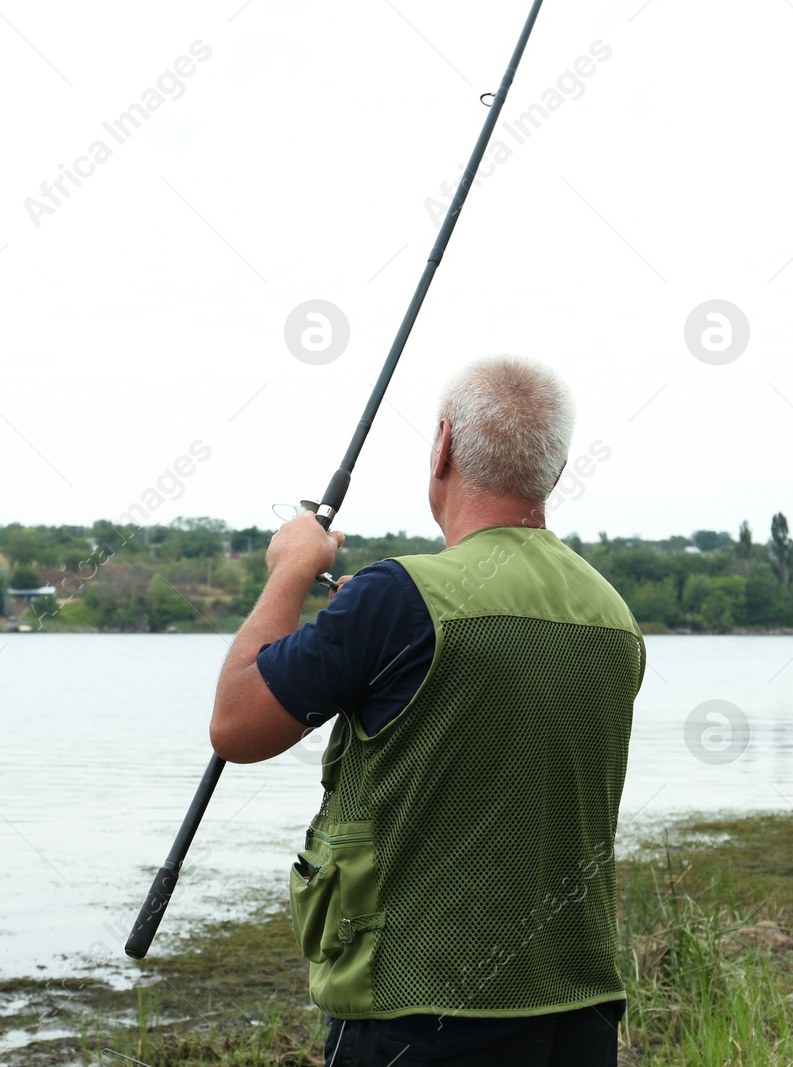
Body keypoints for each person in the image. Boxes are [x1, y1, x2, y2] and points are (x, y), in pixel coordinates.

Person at [209, 356, 643, 1066]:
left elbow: (235, 725)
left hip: (420, 1010)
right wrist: (371, 631)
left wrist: (291, 567)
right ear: (557, 469)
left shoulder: (397, 598)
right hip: (577, 1009)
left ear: (441, 444)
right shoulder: (612, 615)